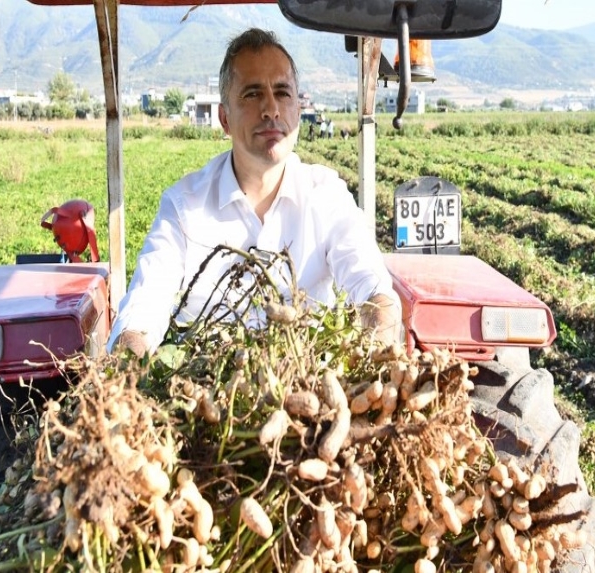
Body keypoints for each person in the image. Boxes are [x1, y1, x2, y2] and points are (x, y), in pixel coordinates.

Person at [108, 28, 401, 357]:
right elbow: (145, 305)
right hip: (208, 389)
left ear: (297, 112)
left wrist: (381, 347)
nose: (271, 109)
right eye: (252, 94)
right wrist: (126, 365)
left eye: (282, 93)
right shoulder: (184, 206)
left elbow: (373, 288)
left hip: (309, 385)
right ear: (224, 119)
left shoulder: (326, 196)